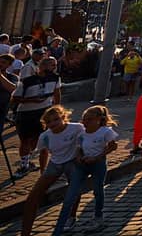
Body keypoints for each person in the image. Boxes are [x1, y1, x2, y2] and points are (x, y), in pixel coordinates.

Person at [54, 105, 118, 235]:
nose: (85, 122)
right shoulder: (82, 132)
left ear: (99, 120)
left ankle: (98, 217)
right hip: (82, 164)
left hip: (98, 164)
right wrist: (79, 157)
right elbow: (78, 147)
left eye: (89, 119)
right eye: (84, 119)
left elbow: (113, 146)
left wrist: (97, 157)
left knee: (98, 190)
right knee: (74, 189)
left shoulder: (105, 131)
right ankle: (71, 217)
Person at [19, 106, 82, 236]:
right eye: (48, 122)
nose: (52, 123)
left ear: (63, 117)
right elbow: (44, 153)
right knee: (33, 197)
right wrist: (43, 173)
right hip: (55, 163)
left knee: (74, 189)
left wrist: (82, 156)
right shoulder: (45, 136)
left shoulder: (77, 128)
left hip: (72, 162)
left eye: (56, 119)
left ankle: (71, 217)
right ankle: (25, 232)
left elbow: (86, 140)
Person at [13, 56, 61, 178]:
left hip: (44, 113)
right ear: (42, 66)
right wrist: (32, 100)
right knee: (26, 140)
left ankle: (43, 171)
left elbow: (57, 93)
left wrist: (57, 108)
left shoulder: (55, 78)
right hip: (26, 113)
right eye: (52, 65)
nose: (54, 67)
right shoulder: (27, 81)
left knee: (43, 142)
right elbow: (15, 98)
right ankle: (24, 165)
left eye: (55, 65)